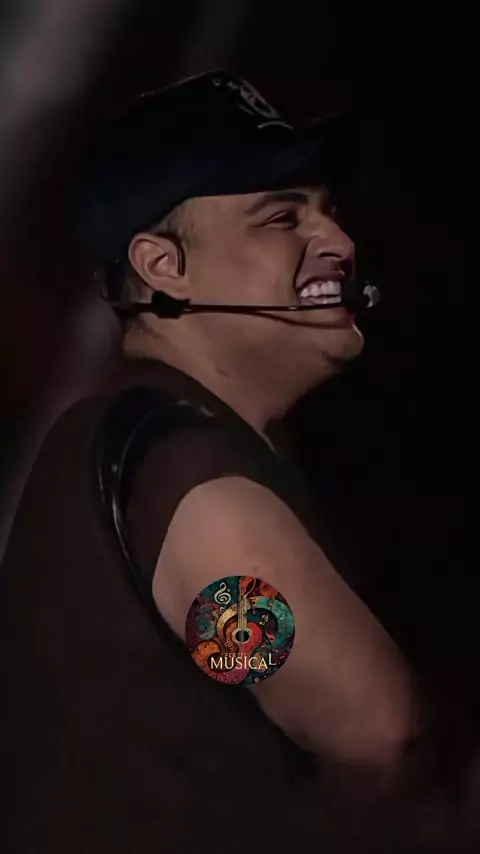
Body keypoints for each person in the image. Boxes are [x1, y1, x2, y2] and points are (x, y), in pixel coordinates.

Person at [0, 70, 477, 853]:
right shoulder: (192, 484)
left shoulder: (118, 441)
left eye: (328, 211)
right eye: (281, 216)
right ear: (163, 267)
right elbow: (386, 740)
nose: (339, 243)